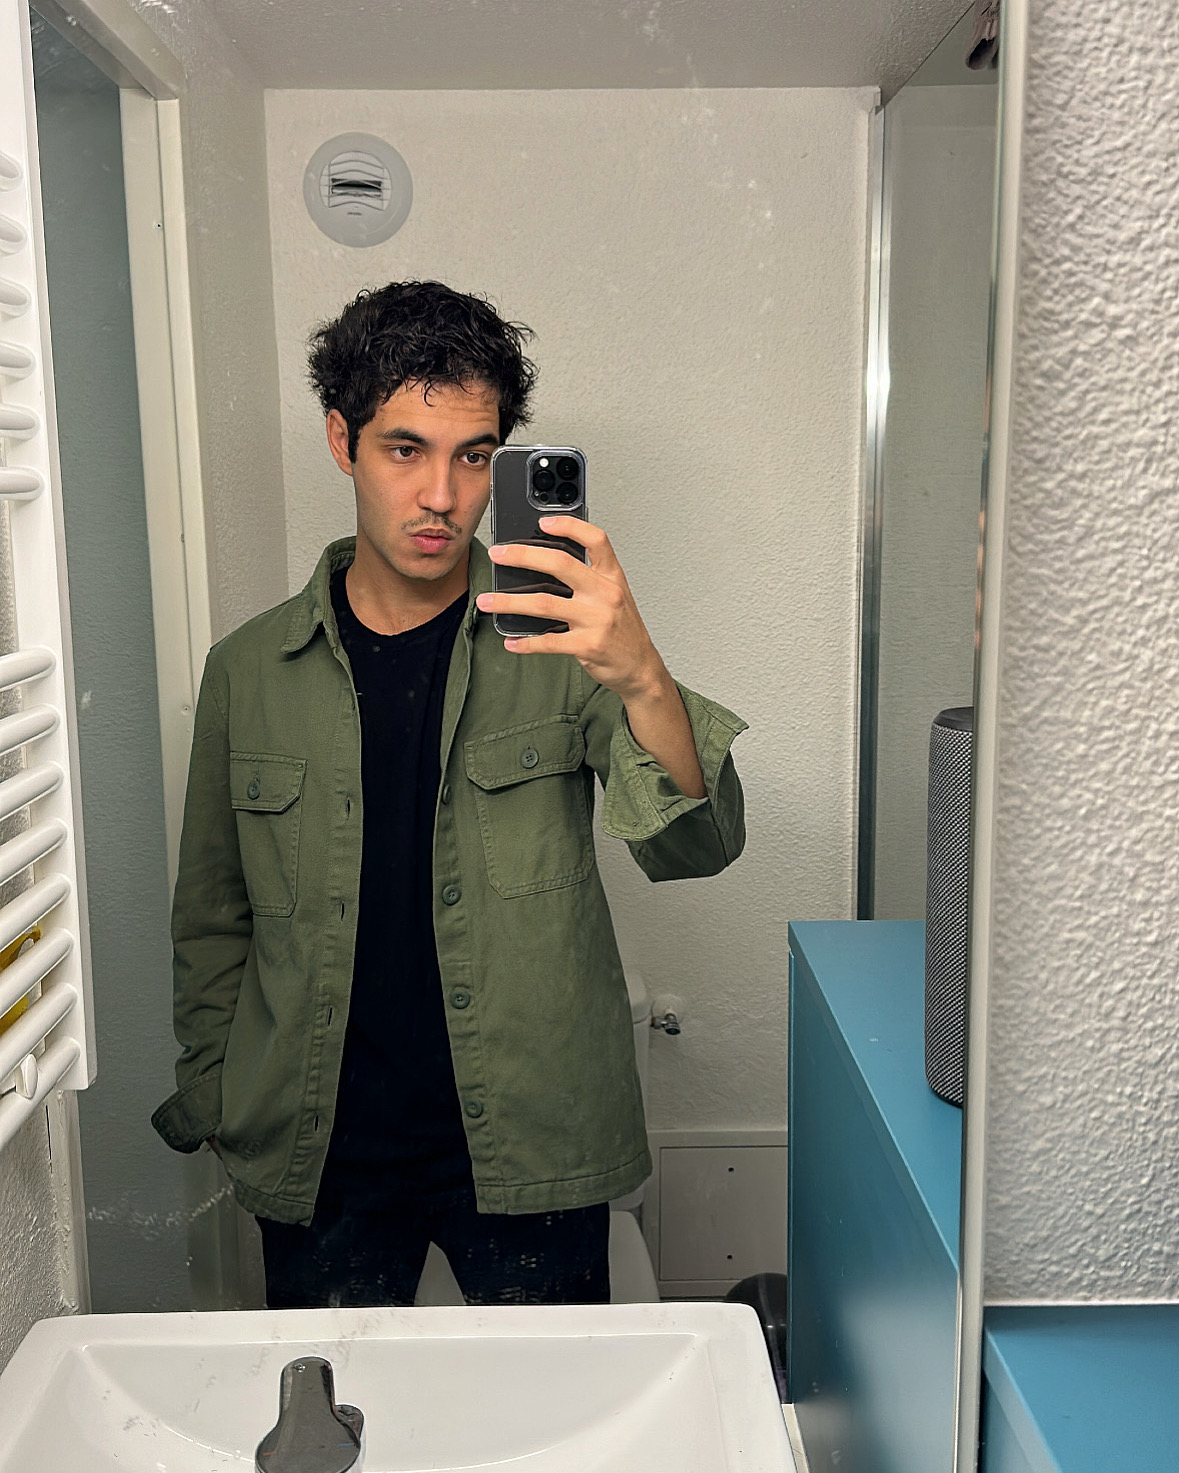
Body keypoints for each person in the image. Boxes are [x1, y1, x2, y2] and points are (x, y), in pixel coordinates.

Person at [152, 280, 747, 1308]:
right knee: (333, 1407)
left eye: (475, 456)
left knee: (555, 1406)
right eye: (405, 449)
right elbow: (212, 916)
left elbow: (698, 846)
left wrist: (642, 672)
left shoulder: (563, 648)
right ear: (340, 440)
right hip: (318, 1148)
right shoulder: (247, 671)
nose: (441, 495)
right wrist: (216, 1093)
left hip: (531, 1139)